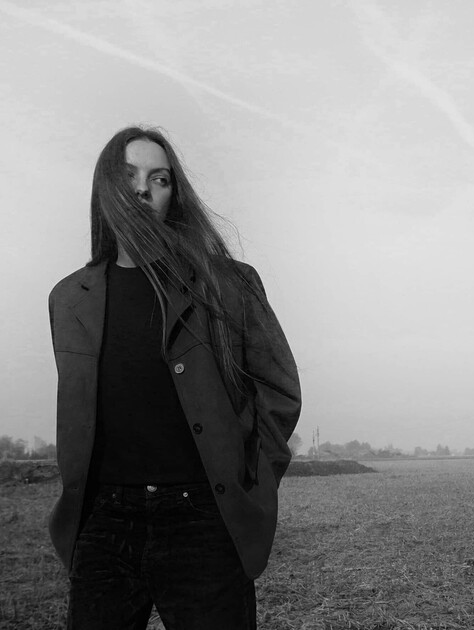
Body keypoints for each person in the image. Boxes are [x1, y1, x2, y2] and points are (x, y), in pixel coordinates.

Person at [47, 126, 302, 629]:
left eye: (159, 179)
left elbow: (279, 393)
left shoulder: (228, 284)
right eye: (129, 176)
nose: (143, 190)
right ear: (105, 188)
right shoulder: (68, 298)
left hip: (204, 521)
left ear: (173, 195)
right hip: (102, 526)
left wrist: (249, 482)